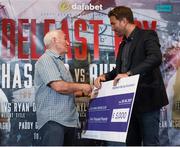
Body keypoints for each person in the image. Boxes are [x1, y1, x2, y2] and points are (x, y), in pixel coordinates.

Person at [94, 6, 169, 146]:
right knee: (131, 143)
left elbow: (155, 57)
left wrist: (128, 74)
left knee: (150, 143)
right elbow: (120, 70)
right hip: (128, 104)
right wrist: (105, 76)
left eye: (113, 23)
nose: (112, 28)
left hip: (148, 101)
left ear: (124, 21)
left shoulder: (147, 35)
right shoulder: (123, 44)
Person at [34, 29, 92, 146]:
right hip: (54, 121)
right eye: (65, 38)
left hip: (67, 121)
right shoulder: (46, 59)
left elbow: (68, 91)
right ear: (54, 40)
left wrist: (91, 93)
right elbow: (59, 87)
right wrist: (83, 86)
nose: (68, 43)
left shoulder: (59, 62)